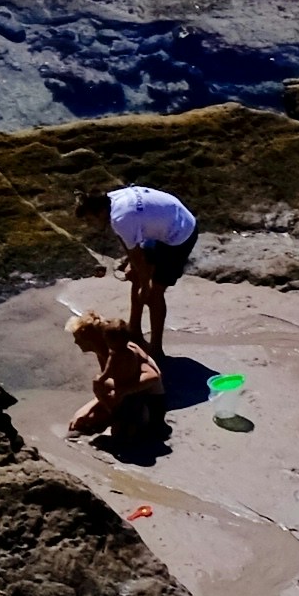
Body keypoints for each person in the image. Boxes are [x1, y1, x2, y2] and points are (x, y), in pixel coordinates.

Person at [90, 183, 198, 361]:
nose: (90, 225)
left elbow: (138, 258)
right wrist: (133, 264)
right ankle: (134, 330)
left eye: (90, 220)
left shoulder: (119, 218)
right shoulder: (112, 199)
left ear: (100, 212)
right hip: (162, 225)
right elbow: (130, 246)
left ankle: (156, 349)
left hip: (180, 233)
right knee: (134, 275)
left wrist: (146, 287)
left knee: (154, 293)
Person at [66, 302, 162, 440]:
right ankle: (117, 418)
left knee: (95, 417)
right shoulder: (103, 353)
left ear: (91, 339)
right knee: (84, 418)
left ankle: (125, 421)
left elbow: (154, 376)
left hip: (149, 398)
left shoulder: (125, 351)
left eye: (78, 338)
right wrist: (90, 407)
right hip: (127, 392)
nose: (76, 342)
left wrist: (123, 391)